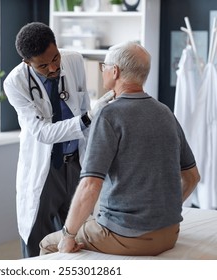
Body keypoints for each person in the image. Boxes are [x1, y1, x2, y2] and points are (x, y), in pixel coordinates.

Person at [39, 41, 201, 256]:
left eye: (104, 66)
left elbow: (90, 186)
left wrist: (68, 236)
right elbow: (192, 177)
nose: (103, 70)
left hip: (126, 236)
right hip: (170, 233)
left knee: (49, 243)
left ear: (114, 71)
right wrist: (163, 212)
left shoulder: (109, 115)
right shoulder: (165, 112)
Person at [3, 22, 113, 258]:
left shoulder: (73, 60)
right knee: (36, 237)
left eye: (55, 58)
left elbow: (82, 106)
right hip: (45, 170)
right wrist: (88, 117)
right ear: (27, 63)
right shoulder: (15, 82)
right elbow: (43, 133)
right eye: (43, 65)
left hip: (75, 164)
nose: (53, 67)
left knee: (75, 235)